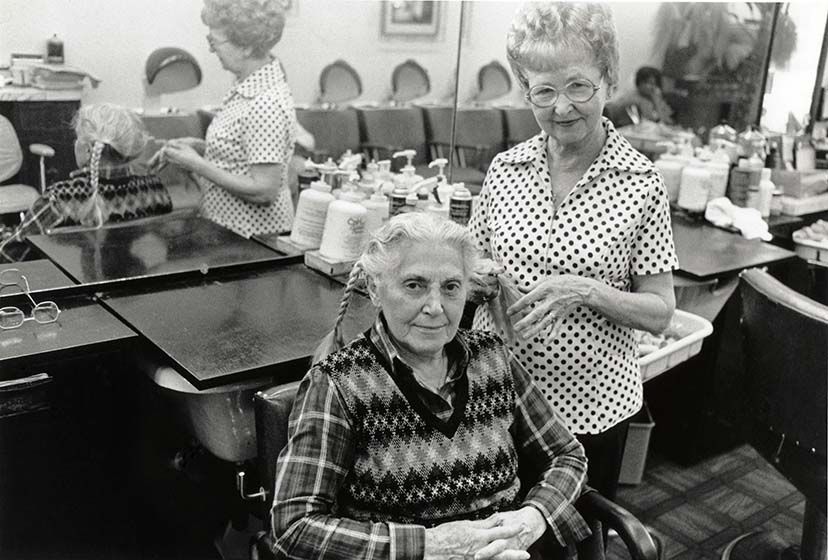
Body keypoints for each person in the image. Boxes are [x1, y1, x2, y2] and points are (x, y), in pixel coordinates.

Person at [270, 213, 590, 560]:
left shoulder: (493, 358)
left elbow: (566, 455)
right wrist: (431, 545)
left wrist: (531, 520)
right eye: (414, 285)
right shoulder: (338, 384)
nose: (435, 307)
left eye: (451, 287)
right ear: (375, 289)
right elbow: (294, 526)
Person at [468, 2, 678, 503]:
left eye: (578, 86)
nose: (561, 107)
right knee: (495, 535)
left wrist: (584, 290)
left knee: (573, 539)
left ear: (608, 78)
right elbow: (471, 261)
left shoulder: (641, 184)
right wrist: (486, 279)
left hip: (590, 412)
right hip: (498, 397)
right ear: (526, 91)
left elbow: (660, 311)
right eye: (543, 91)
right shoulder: (506, 169)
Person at [149, 0, 296, 239]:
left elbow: (264, 190)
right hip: (230, 231)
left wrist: (196, 164)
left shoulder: (265, 102)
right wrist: (199, 147)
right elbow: (247, 153)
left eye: (214, 41)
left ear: (246, 47)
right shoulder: (246, 89)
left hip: (253, 238)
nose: (211, 49)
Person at [0, 103, 172, 262]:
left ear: (88, 149)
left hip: (74, 289)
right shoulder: (156, 189)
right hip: (135, 285)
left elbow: (11, 254)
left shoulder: (59, 199)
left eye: (77, 138)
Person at [606, 66, 674, 126]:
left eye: (654, 84)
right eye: (648, 83)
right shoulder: (635, 98)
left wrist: (656, 100)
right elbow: (655, 120)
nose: (652, 87)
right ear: (639, 83)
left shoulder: (650, 97)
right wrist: (656, 100)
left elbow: (668, 120)